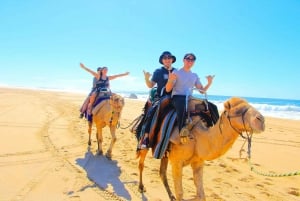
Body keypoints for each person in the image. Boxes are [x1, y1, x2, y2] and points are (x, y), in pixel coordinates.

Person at [165, 53, 214, 138]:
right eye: (188, 59)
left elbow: (202, 91)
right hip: (178, 97)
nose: (190, 61)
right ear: (183, 60)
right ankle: (182, 130)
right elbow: (168, 89)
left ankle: (215, 128)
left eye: (192, 60)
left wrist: (209, 83)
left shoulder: (194, 75)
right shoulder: (176, 72)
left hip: (189, 98)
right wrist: (170, 81)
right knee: (183, 104)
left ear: (194, 62)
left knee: (212, 106)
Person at [138, 51, 177, 149]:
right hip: (161, 96)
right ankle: (146, 137)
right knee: (154, 110)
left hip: (175, 97)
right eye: (165, 58)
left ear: (172, 60)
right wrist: (146, 78)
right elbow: (150, 85)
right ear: (162, 60)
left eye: (169, 58)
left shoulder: (176, 71)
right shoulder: (158, 71)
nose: (167, 59)